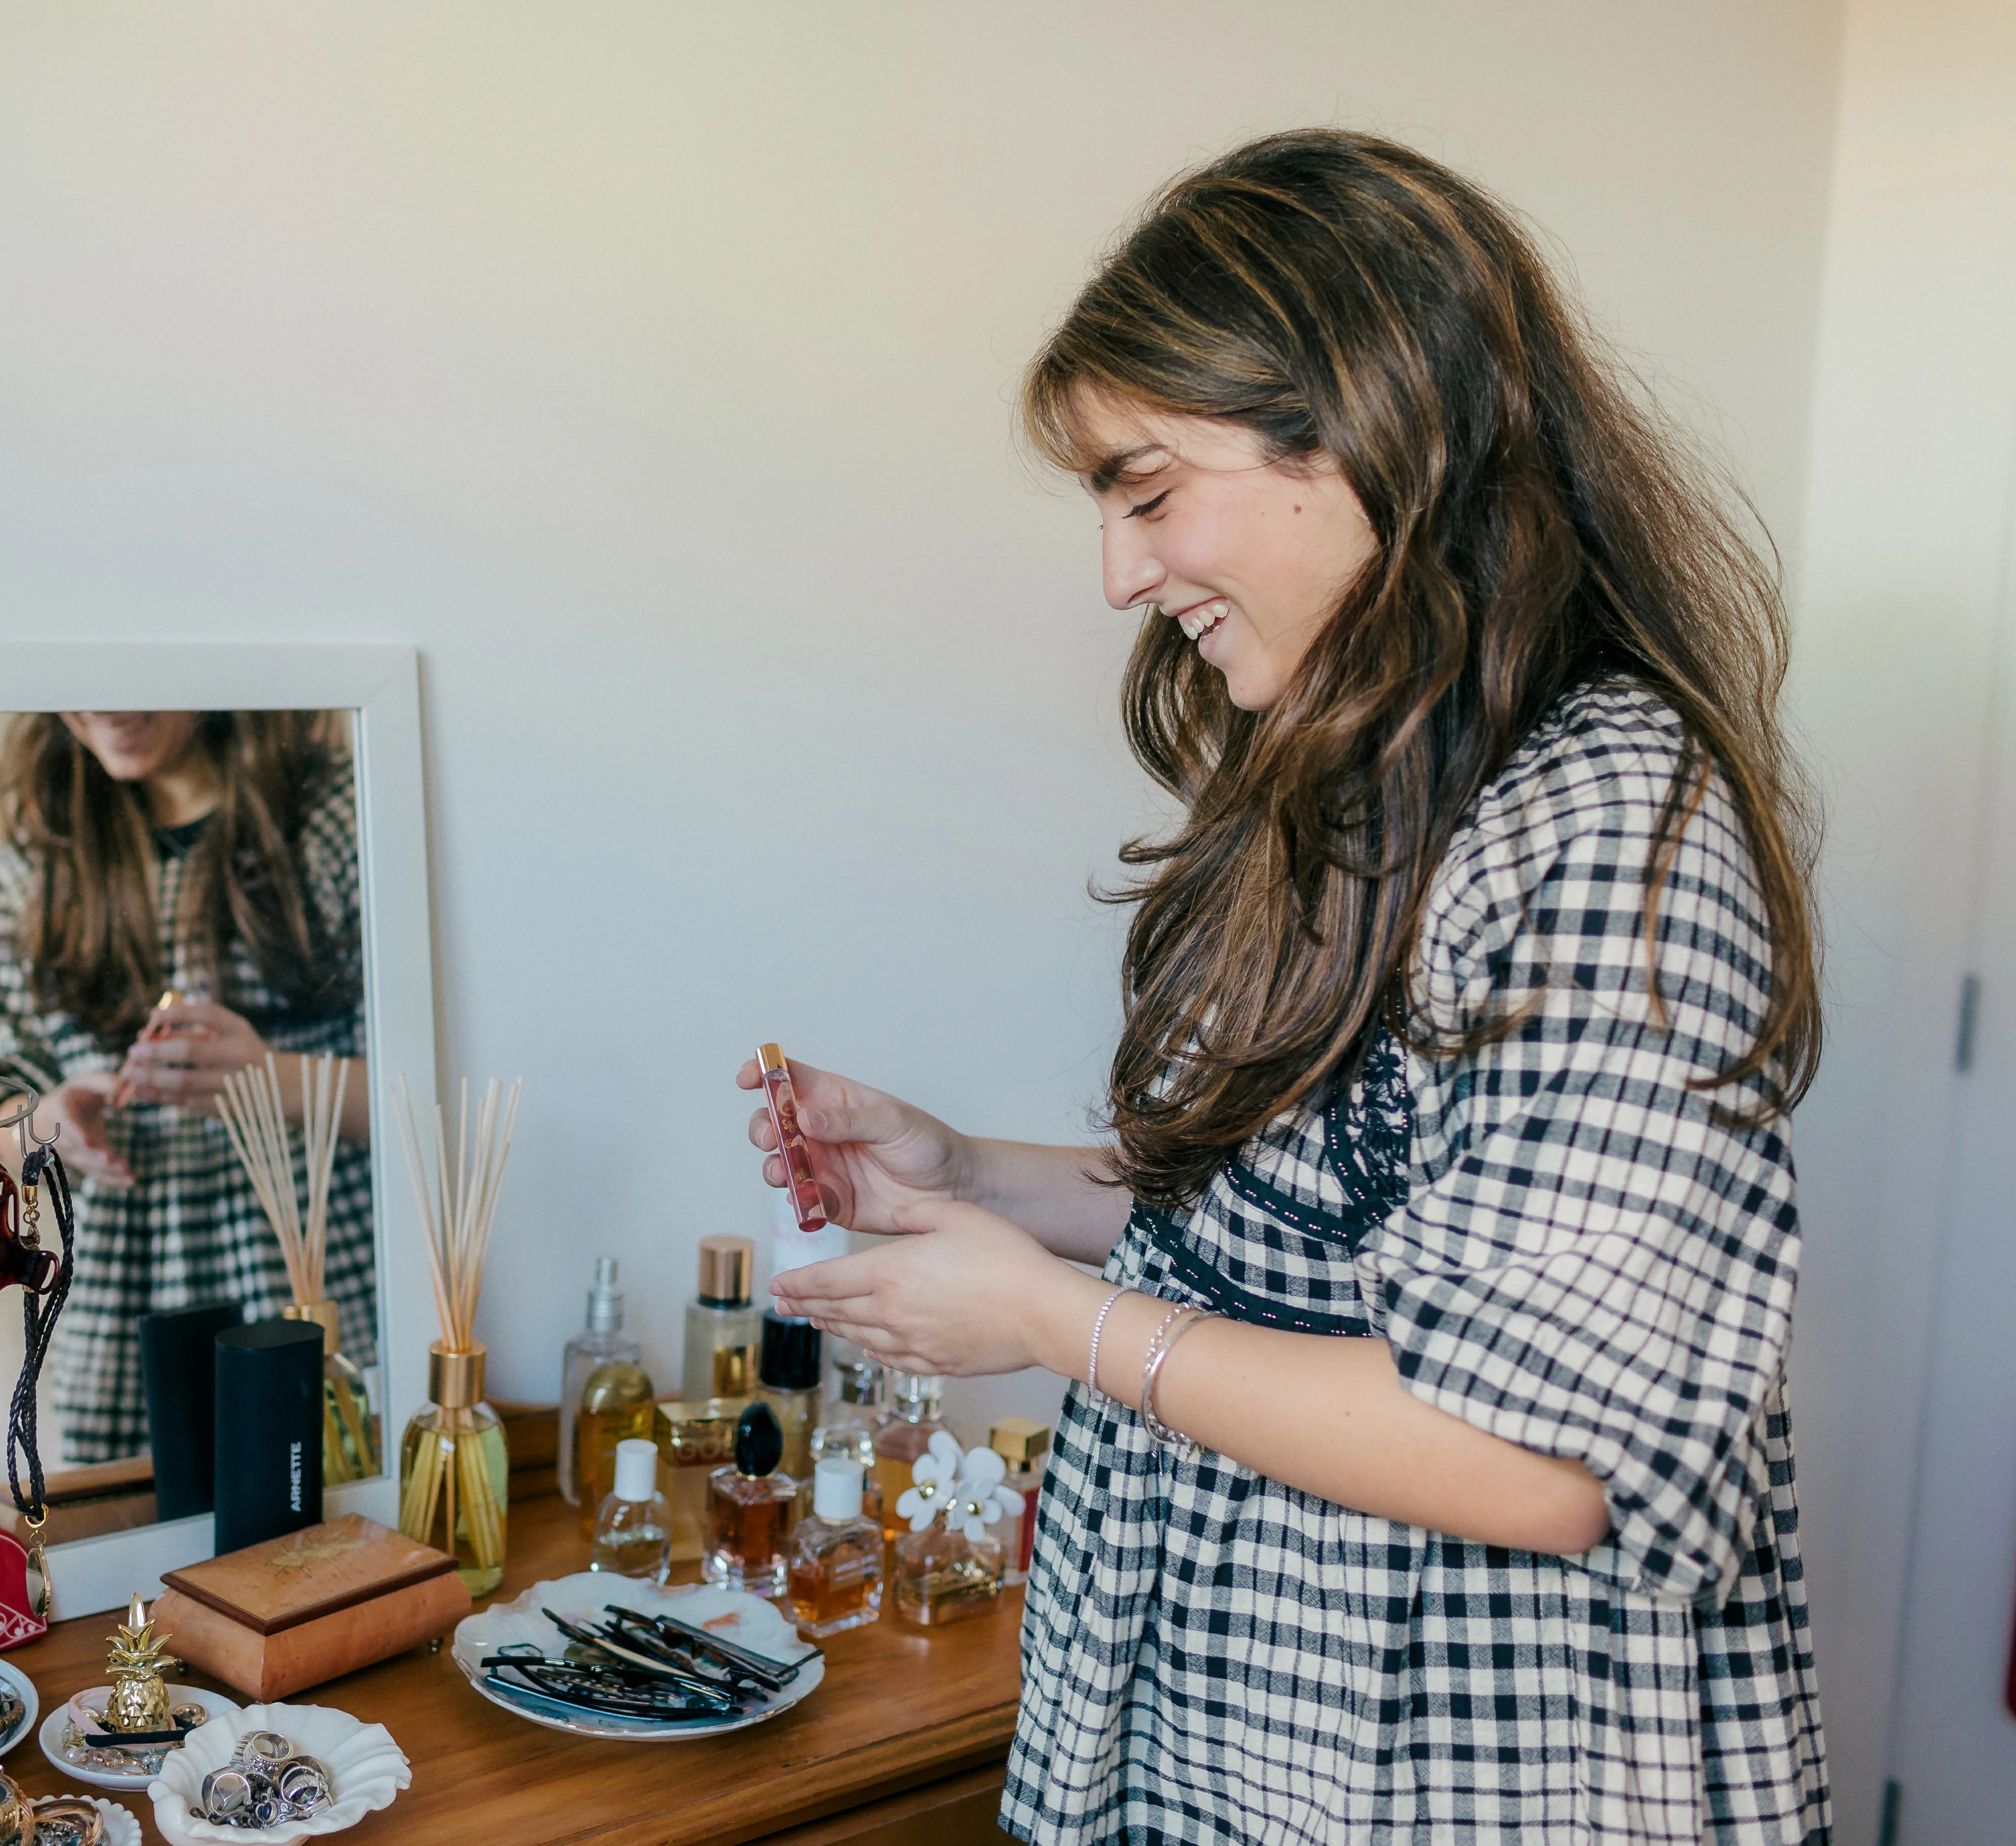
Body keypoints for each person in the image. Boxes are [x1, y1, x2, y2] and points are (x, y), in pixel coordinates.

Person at [751, 132, 1830, 1842]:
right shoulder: (1355, 768)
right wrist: (975, 1177)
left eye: (1147, 491)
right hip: (1243, 1731)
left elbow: (1547, 1459)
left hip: (1463, 1769)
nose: (1120, 575)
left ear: (1362, 424)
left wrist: (1045, 1322)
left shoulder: (1616, 821)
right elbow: (1312, 1226)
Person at [0, 708, 374, 1464]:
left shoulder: (333, 816)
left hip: (312, 1270)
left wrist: (272, 1082)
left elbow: (427, 1092)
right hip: (120, 1308)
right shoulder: (42, 860)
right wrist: (47, 1123)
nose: (104, 705)